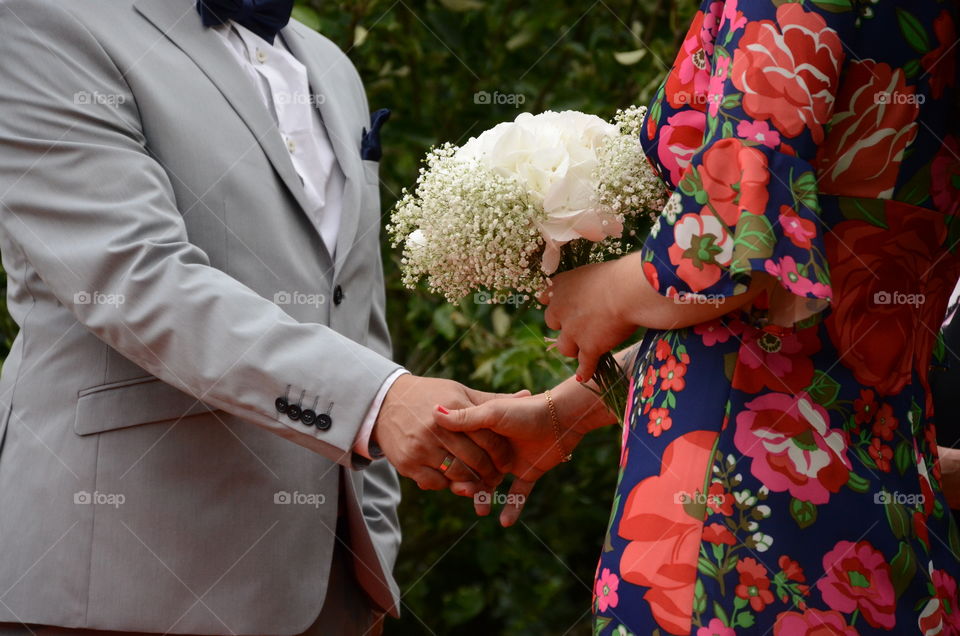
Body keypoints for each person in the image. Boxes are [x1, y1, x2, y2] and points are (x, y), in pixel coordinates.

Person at [439, 0, 960, 633]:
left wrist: (604, 292)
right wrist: (564, 414)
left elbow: (739, 238)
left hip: (733, 509)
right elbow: (821, 286)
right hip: (889, 480)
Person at [0, 0, 513, 634]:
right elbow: (135, 280)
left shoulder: (330, 65)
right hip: (121, 579)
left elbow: (354, 309)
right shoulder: (44, 22)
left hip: (330, 591)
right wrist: (378, 403)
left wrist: (371, 548)